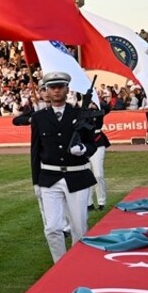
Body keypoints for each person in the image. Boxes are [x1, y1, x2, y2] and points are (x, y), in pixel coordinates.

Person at [30, 71, 98, 263]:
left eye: (60, 86)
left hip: (77, 177)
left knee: (79, 227)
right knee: (52, 228)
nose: (56, 90)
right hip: (49, 178)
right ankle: (59, 264)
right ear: (46, 91)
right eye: (52, 87)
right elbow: (35, 151)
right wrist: (36, 181)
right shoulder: (39, 118)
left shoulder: (81, 114)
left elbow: (92, 144)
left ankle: (77, 264)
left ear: (68, 89)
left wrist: (83, 148)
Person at [89, 116, 111, 211]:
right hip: (82, 143)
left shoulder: (97, 110)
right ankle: (88, 203)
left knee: (98, 174)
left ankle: (101, 202)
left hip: (97, 142)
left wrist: (95, 104)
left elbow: (106, 109)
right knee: (86, 175)